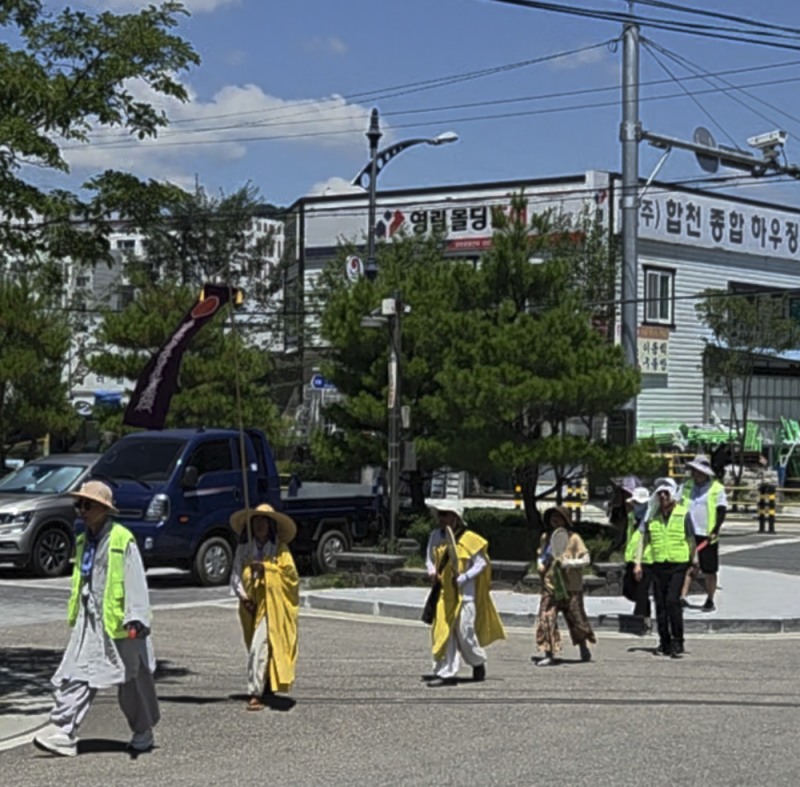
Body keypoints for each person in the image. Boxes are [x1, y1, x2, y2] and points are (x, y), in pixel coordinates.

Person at [33, 481, 159, 757]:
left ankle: (143, 731)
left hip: (121, 624)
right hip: (90, 621)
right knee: (77, 673)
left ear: (104, 508)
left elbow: (135, 578)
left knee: (132, 680)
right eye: (79, 504)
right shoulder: (83, 540)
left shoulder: (121, 538)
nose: (82, 510)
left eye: (87, 505)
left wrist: (136, 617)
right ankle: (63, 731)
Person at [425, 503, 506, 687]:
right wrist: (432, 571)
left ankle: (477, 662)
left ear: (455, 517)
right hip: (444, 595)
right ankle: (446, 672)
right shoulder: (436, 536)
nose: (442, 518)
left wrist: (463, 578)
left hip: (465, 596)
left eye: (446, 514)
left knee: (465, 634)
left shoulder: (470, 539)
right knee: (444, 634)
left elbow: (481, 563)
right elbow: (429, 558)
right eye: (440, 514)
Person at [230, 503, 299, 711]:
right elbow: (235, 575)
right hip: (250, 605)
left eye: (264, 521)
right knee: (256, 644)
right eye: (256, 521)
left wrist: (267, 569)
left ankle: (255, 692)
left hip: (272, 606)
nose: (260, 525)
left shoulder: (280, 551)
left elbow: (291, 578)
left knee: (260, 645)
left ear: (271, 526)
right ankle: (267, 680)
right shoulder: (244, 549)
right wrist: (244, 598)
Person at [634, 477, 696, 659]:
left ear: (673, 495)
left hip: (678, 563)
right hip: (657, 564)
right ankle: (664, 642)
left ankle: (678, 641)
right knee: (660, 604)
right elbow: (642, 540)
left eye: (666, 493)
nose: (663, 496)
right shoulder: (651, 515)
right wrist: (638, 563)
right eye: (659, 493)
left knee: (672, 601)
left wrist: (694, 561)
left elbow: (691, 540)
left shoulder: (683, 514)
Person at [534, 505, 597, 666]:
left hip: (571, 587)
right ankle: (549, 652)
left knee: (576, 619)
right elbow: (541, 555)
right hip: (551, 585)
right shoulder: (545, 537)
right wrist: (540, 564)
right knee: (546, 618)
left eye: (559, 517)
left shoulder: (574, 538)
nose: (555, 520)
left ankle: (583, 646)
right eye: (552, 517)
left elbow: (586, 559)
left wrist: (569, 563)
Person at [680, 454, 727, 612]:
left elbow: (721, 511)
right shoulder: (687, 486)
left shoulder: (716, 488)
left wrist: (715, 530)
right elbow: (677, 502)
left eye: (699, 471)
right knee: (688, 566)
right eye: (694, 470)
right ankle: (682, 597)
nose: (696, 474)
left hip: (707, 534)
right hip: (688, 533)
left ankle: (710, 599)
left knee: (709, 569)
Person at [622, 486, 654, 632]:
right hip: (631, 557)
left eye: (640, 503)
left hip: (646, 559)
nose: (637, 506)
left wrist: (639, 562)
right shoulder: (632, 517)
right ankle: (643, 614)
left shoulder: (651, 519)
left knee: (642, 591)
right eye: (635, 503)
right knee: (628, 589)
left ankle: (643, 620)